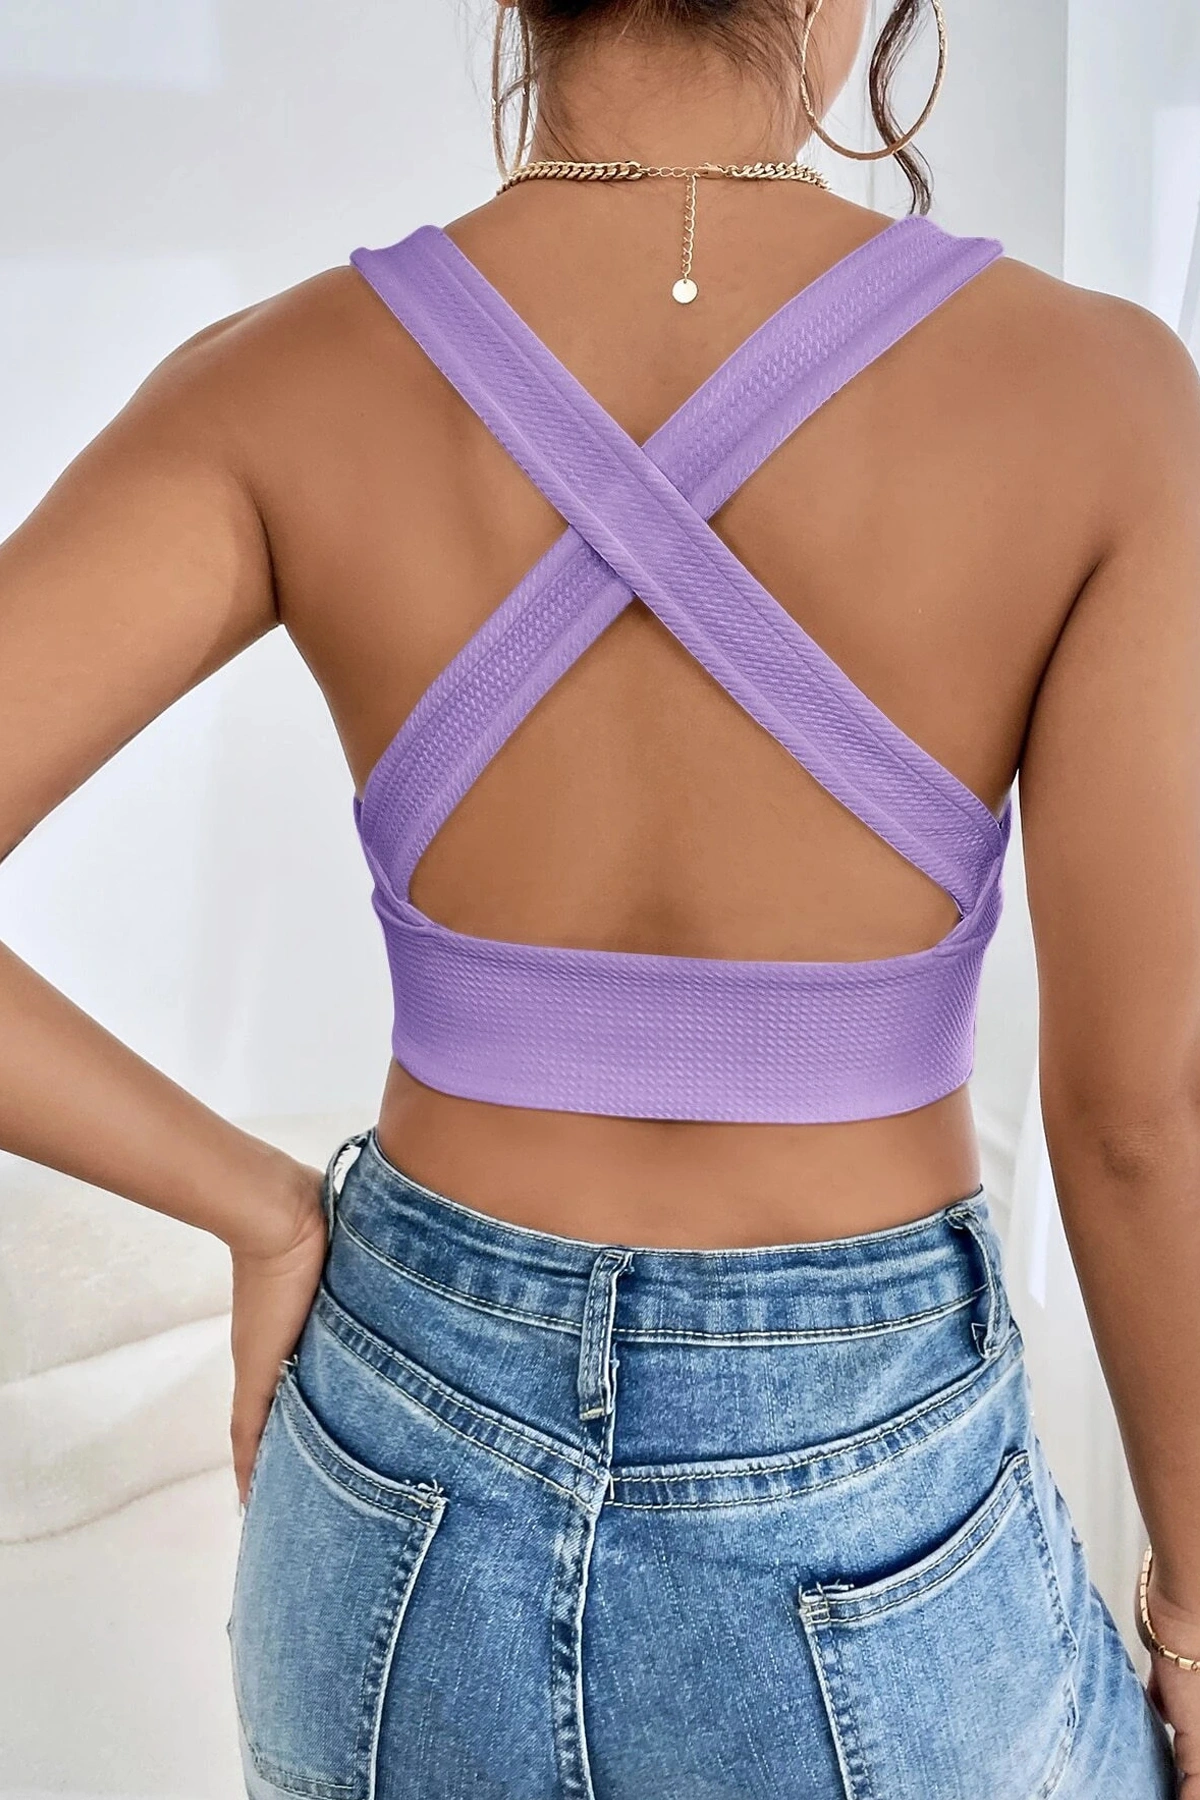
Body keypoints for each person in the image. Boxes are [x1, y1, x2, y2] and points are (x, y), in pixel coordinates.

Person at [1, 0, 1196, 1792]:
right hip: (866, 1482)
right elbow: (1135, 1122)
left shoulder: (275, 381)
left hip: (395, 1464)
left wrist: (260, 1212)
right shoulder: (1102, 394)